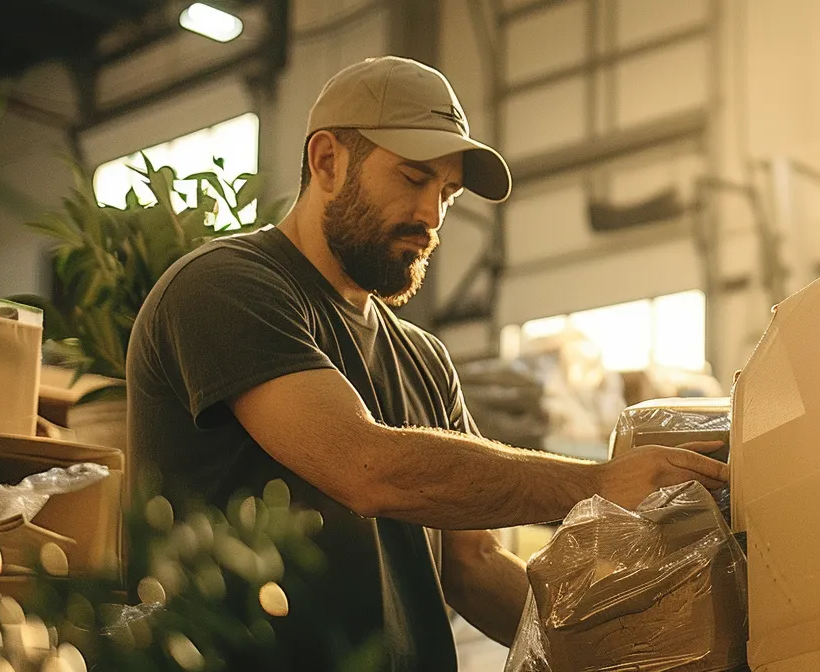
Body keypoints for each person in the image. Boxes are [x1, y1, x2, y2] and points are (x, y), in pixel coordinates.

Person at [126, 56, 729, 671]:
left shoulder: (423, 358)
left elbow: (472, 567)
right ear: (327, 161)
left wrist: (637, 657)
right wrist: (595, 484)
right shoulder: (226, 288)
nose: (433, 216)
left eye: (446, 192)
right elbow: (364, 467)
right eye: (413, 179)